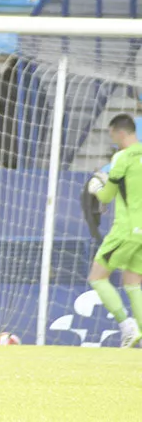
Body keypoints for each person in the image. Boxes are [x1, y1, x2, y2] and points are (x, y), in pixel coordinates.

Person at [86, 113, 142, 349]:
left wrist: (97, 186)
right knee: (132, 282)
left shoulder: (122, 157)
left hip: (127, 229)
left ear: (119, 132)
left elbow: (107, 195)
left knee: (97, 277)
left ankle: (126, 326)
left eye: (112, 135)